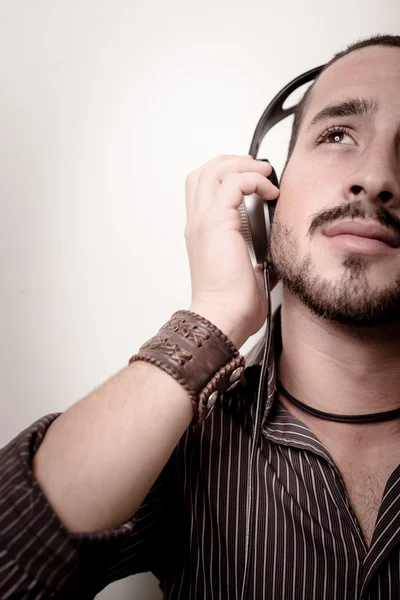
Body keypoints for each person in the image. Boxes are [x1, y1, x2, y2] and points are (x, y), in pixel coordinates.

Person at [1, 32, 400, 600]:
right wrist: (212, 316)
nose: (378, 177)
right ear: (268, 195)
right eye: (338, 134)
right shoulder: (180, 442)